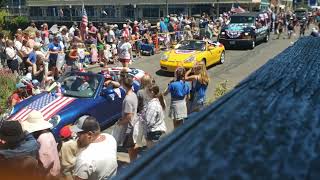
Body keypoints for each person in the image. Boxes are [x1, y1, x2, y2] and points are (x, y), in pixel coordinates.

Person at [71, 116, 118, 180]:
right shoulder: (110, 138)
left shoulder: (84, 158)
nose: (77, 138)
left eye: (78, 134)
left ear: (89, 134)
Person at [22, 110, 61, 178]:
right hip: (54, 170)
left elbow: (46, 162)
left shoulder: (43, 137)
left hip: (49, 173)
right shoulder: (48, 133)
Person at [118, 76, 139, 162]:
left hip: (129, 127)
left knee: (130, 148)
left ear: (124, 85)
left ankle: (133, 164)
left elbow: (128, 116)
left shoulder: (127, 99)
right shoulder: (134, 94)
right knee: (134, 145)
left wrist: (120, 122)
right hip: (135, 123)